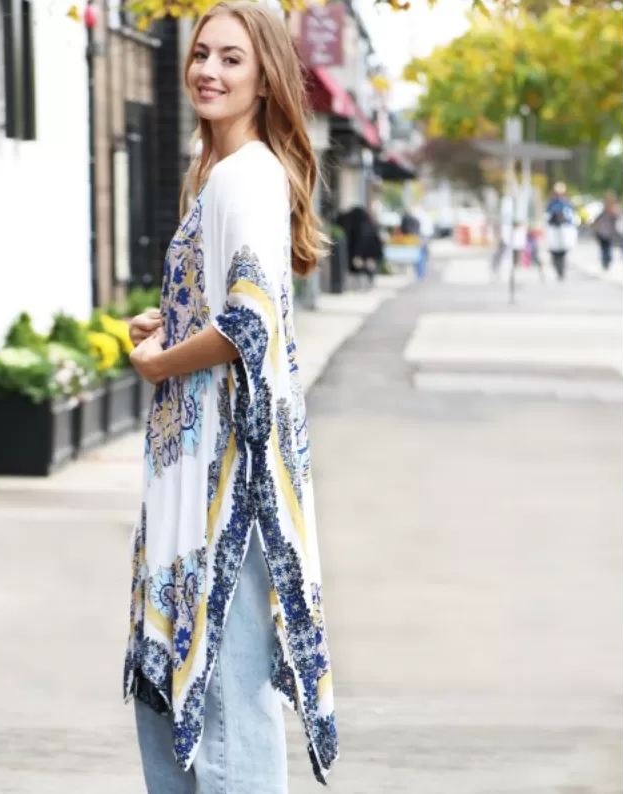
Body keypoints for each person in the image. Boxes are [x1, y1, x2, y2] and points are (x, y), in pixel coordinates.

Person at [124, 4, 338, 792]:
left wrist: (162, 363)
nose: (209, 70)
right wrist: (175, 318)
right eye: (201, 54)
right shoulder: (223, 174)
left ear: (266, 80)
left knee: (220, 706)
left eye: (232, 60)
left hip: (227, 489)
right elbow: (233, 307)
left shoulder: (245, 175)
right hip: (206, 481)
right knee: (191, 697)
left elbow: (248, 321)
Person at [336, 204, 383, 288]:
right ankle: (367, 284)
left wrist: (355, 253)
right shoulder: (368, 224)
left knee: (358, 267)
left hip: (359, 252)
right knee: (367, 266)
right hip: (369, 251)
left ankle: (359, 285)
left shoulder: (354, 222)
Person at [544, 182, 577, 280]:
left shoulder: (567, 203)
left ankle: (561, 271)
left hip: (563, 230)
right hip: (554, 229)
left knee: (562, 252)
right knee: (554, 252)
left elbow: (571, 217)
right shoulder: (551, 203)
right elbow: (547, 216)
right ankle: (558, 270)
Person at [591, 192, 621, 270]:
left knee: (607, 248)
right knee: (605, 248)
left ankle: (606, 261)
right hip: (602, 233)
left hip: (608, 233)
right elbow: (596, 221)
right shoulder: (603, 211)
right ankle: (605, 262)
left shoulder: (614, 211)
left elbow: (618, 221)